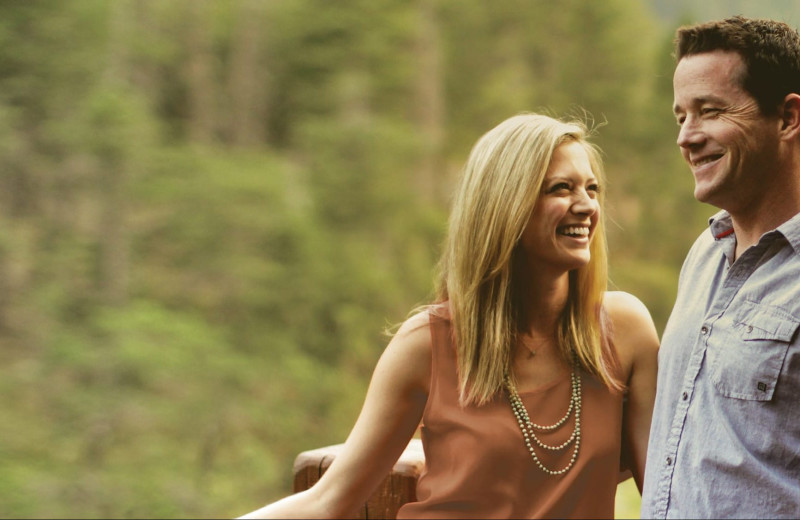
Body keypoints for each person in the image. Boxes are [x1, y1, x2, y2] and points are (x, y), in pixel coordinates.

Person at [240, 113, 659, 519]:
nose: (586, 206)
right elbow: (329, 501)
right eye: (561, 189)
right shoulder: (427, 343)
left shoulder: (625, 331)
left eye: (592, 188)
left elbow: (668, 492)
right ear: (504, 206)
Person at [641, 16, 800, 519]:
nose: (686, 138)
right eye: (680, 116)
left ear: (788, 117)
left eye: (709, 112)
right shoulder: (703, 254)